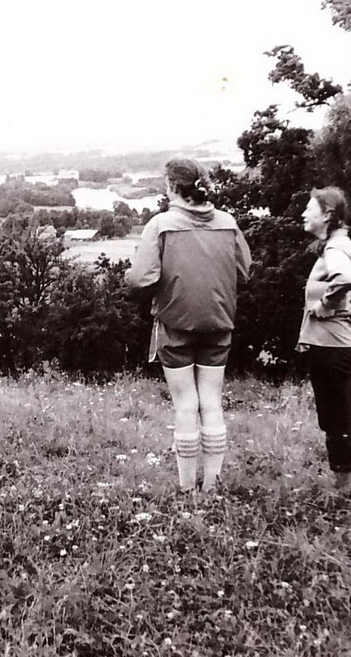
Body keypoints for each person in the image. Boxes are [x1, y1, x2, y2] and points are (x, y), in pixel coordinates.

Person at [126, 158, 251, 493]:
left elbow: (141, 278)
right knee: (211, 401)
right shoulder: (228, 223)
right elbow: (244, 272)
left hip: (175, 325)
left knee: (185, 405)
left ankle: (185, 489)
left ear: (171, 187)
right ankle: (212, 487)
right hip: (219, 325)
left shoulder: (160, 225)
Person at [297, 187, 351, 487]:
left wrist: (323, 305)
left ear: (327, 215)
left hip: (332, 345)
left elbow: (344, 279)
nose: (303, 214)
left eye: (309, 210)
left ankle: (344, 485)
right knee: (341, 411)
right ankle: (347, 474)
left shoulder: (336, 248)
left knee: (335, 414)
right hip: (339, 342)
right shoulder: (340, 244)